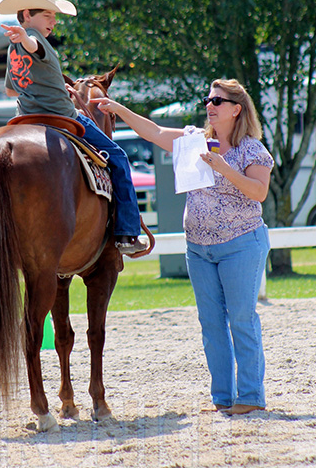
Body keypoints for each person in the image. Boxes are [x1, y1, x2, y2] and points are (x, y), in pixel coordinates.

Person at [91, 78, 274, 415]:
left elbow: (258, 192)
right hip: (199, 248)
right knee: (211, 323)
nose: (210, 105)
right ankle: (223, 398)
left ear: (236, 109)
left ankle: (250, 397)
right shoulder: (195, 141)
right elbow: (154, 133)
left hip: (241, 244)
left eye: (217, 101)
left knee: (242, 319)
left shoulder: (252, 150)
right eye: (208, 99)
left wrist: (224, 168)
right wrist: (118, 109)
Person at [0, 0, 147, 255]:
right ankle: (128, 232)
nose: (53, 21)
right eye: (47, 15)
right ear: (27, 14)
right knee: (119, 158)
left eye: (55, 16)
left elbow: (10, 89)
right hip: (61, 117)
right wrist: (26, 37)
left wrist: (51, 84)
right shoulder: (32, 38)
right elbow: (34, 47)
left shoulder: (12, 48)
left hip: (26, 120)